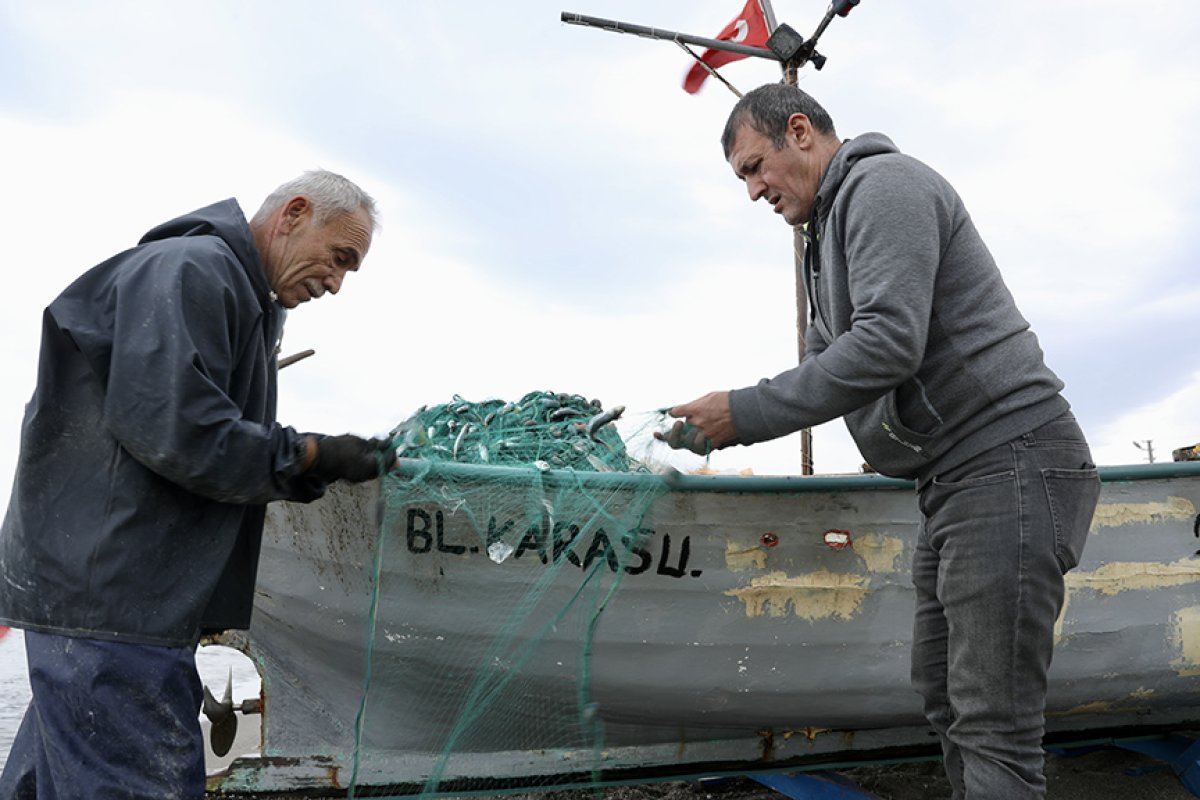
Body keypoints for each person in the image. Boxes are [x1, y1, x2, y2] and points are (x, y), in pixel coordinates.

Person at [659, 84, 1101, 799]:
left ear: (798, 131)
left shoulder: (883, 185)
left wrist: (740, 413)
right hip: (953, 481)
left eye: (753, 167)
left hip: (1011, 460)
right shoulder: (823, 242)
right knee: (944, 694)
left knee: (993, 722)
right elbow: (825, 372)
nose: (752, 191)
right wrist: (713, 423)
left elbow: (887, 345)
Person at [0, 170, 392, 799]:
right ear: (293, 213)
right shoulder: (193, 270)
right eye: (339, 258)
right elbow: (174, 428)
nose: (337, 283)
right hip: (115, 602)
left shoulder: (240, 295)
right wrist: (312, 456)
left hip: (95, 597)